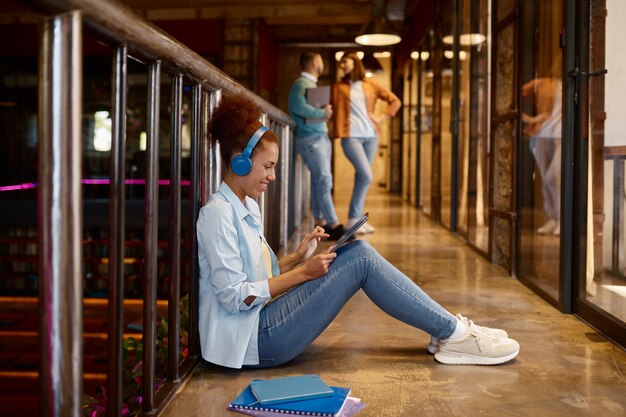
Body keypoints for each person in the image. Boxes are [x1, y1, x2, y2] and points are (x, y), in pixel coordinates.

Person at [196, 94, 520, 370]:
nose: (273, 176)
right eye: (267, 166)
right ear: (239, 162)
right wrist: (303, 275)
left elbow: (255, 277)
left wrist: (298, 258)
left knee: (356, 251)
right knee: (361, 260)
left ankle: (448, 331)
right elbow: (235, 296)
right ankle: (454, 335)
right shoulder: (217, 214)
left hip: (262, 323)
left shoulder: (247, 205)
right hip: (252, 341)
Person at [331, 52, 401, 234]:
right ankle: (353, 219)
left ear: (354, 62)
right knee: (366, 175)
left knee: (362, 178)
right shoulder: (338, 87)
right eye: (340, 63)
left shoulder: (371, 84)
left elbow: (395, 101)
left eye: (344, 62)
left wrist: (381, 118)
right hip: (350, 136)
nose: (342, 65)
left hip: (371, 136)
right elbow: (325, 105)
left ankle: (357, 220)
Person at [288, 52, 345, 240]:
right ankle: (333, 223)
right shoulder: (301, 84)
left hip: (319, 137)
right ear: (313, 62)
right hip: (311, 139)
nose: (323, 62)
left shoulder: (309, 85)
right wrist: (322, 112)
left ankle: (320, 220)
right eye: (321, 59)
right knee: (323, 179)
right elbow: (297, 106)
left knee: (318, 181)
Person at [522, 76, 562, 236]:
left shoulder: (571, 83)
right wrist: (531, 119)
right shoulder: (543, 84)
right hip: (541, 134)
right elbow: (514, 96)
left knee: (553, 177)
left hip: (561, 136)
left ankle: (560, 218)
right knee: (545, 180)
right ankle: (552, 217)